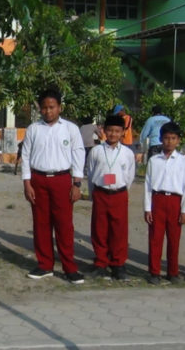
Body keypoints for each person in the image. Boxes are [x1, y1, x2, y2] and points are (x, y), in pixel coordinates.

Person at [21, 88, 85, 284]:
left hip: (62, 180)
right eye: (44, 108)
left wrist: (77, 183)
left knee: (64, 225)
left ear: (59, 108)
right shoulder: (33, 129)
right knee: (41, 224)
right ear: (40, 109)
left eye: (52, 107)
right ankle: (44, 265)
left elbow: (78, 154)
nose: (48, 111)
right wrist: (27, 182)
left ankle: (69, 268)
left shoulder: (70, 129)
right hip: (38, 180)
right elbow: (25, 155)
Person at [87, 115, 136, 281]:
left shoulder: (127, 153)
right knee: (99, 229)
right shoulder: (96, 151)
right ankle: (100, 262)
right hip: (100, 193)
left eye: (117, 131)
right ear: (104, 131)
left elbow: (129, 176)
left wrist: (120, 190)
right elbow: (91, 173)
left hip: (119, 194)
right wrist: (94, 192)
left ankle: (118, 264)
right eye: (110, 130)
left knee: (119, 230)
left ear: (123, 133)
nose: (113, 134)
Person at [143, 122, 185, 285]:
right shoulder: (154, 160)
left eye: (173, 138)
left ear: (178, 141)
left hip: (175, 201)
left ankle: (173, 271)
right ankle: (154, 271)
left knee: (174, 238)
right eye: (166, 138)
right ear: (161, 139)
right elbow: (148, 185)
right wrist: (147, 208)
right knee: (155, 238)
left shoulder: (183, 161)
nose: (169, 142)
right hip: (158, 199)